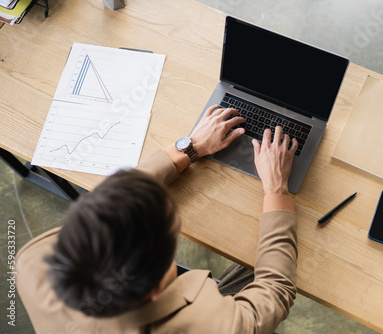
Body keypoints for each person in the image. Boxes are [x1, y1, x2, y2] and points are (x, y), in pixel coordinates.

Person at [16, 105, 299, 334]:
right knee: (281, 255)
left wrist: (190, 147)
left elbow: (114, 203)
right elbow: (275, 290)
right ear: (155, 290)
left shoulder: (32, 264)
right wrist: (276, 190)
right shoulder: (216, 326)